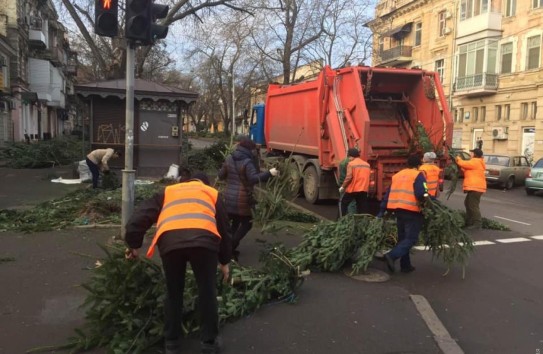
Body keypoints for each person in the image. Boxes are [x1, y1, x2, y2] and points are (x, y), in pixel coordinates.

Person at [124, 173, 232, 354]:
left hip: (170, 242)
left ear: (184, 183)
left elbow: (139, 216)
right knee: (207, 291)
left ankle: (172, 343)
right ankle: (209, 343)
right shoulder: (211, 192)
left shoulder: (168, 191)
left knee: (173, 292)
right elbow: (224, 228)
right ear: (204, 183)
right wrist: (225, 261)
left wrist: (134, 245)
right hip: (204, 243)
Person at [218, 136, 278, 258]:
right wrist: (269, 173)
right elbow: (253, 178)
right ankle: (230, 246)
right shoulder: (247, 162)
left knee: (234, 223)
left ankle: (229, 248)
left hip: (228, 198)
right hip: (243, 199)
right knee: (247, 223)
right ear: (250, 149)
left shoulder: (229, 158)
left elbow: (220, 175)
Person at [378, 155, 428, 274]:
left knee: (403, 239)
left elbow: (388, 194)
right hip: (412, 211)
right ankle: (391, 256)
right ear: (418, 165)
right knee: (411, 239)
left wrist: (382, 211)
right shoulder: (418, 175)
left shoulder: (397, 175)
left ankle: (406, 265)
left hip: (398, 210)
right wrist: (430, 202)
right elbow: (422, 193)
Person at [455, 148, 487, 230]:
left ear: (475, 154)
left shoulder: (475, 161)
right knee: (468, 203)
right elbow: (467, 168)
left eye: (472, 153)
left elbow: (463, 163)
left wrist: (457, 158)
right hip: (476, 187)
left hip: (476, 187)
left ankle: (477, 223)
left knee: (473, 205)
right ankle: (470, 221)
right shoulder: (477, 162)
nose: (470, 154)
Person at [339, 148, 371, 217]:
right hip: (363, 189)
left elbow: (349, 177)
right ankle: (363, 221)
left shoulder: (351, 164)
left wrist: (343, 186)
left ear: (351, 156)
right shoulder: (367, 164)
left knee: (344, 203)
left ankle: (343, 219)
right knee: (362, 207)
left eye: (349, 157)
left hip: (353, 189)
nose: (349, 159)